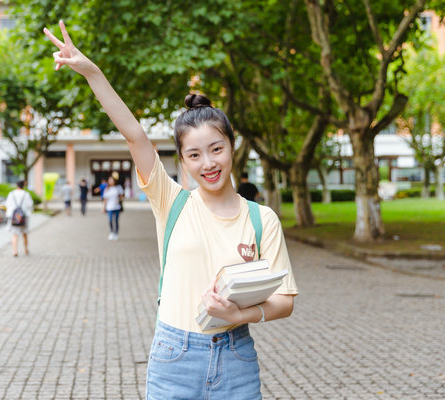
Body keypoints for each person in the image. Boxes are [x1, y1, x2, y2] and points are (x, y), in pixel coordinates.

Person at [44, 21, 297, 399]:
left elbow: (285, 301)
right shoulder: (171, 201)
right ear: (182, 161)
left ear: (232, 147)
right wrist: (92, 72)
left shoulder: (262, 219)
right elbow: (135, 135)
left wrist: (239, 315)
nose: (208, 163)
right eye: (194, 155)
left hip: (236, 358)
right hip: (174, 357)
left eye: (216, 149)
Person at [5, 180, 33, 257]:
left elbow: (8, 204)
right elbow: (30, 205)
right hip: (24, 217)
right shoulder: (26, 194)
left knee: (15, 234)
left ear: (16, 185)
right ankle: (26, 249)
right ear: (23, 186)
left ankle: (15, 251)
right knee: (24, 234)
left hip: (14, 217)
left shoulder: (11, 194)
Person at [102, 175, 124, 240]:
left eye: (112, 180)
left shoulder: (118, 187)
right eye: (110, 180)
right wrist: (104, 208)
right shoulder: (107, 189)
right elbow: (105, 199)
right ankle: (111, 232)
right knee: (110, 220)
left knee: (116, 221)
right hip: (109, 207)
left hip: (117, 207)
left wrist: (119, 198)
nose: (111, 181)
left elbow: (122, 196)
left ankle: (116, 233)